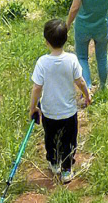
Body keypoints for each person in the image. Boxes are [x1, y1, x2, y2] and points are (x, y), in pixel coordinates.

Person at [28, 19, 91, 183]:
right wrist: (87, 94)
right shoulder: (71, 59)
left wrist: (33, 107)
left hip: (49, 112)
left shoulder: (42, 62)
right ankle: (66, 169)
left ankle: (54, 163)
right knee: (68, 141)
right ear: (66, 39)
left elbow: (36, 88)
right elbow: (80, 81)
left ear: (46, 42)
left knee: (50, 138)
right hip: (69, 112)